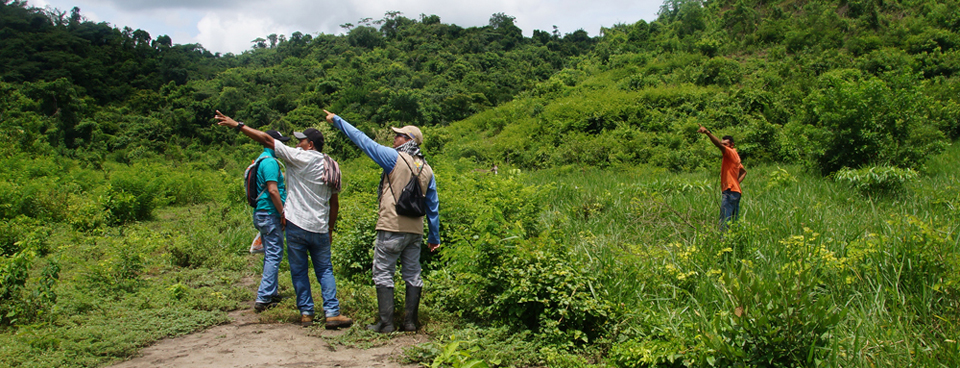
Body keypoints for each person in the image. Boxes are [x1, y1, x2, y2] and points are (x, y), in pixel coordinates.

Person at [214, 111, 353, 330]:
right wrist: (330, 229)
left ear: (310, 145)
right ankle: (332, 313)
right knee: (325, 270)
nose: (298, 144)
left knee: (299, 270)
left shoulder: (299, 158)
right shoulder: (333, 165)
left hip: (296, 224)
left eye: (301, 140)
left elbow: (268, 139)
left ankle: (306, 313)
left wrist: (237, 125)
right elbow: (334, 203)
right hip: (319, 226)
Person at [324, 109, 440, 333]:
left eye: (399, 135)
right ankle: (410, 323)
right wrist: (433, 236)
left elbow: (363, 141)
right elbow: (432, 206)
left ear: (408, 141)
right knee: (413, 274)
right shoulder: (427, 169)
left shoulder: (393, 158)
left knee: (383, 272)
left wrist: (337, 120)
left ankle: (386, 323)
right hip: (415, 231)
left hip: (391, 227)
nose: (394, 138)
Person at [251, 130, 290, 312]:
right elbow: (273, 190)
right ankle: (264, 297)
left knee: (271, 253)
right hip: (269, 213)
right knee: (274, 254)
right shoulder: (270, 162)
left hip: (262, 212)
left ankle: (271, 292)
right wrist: (282, 212)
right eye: (279, 142)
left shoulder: (261, 159)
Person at [698, 125, 746, 231]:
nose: (724, 146)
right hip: (735, 191)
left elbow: (718, 145)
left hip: (729, 192)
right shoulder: (735, 156)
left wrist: (707, 132)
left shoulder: (730, 152)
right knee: (734, 222)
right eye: (723, 144)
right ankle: (733, 243)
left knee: (724, 221)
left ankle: (722, 243)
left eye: (726, 144)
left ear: (732, 145)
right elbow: (743, 172)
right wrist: (736, 183)